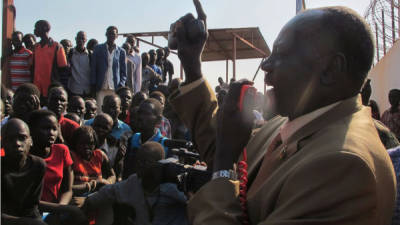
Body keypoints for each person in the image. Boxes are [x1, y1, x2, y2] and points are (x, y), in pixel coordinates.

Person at [170, 3, 396, 224]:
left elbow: (225, 161)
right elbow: (227, 152)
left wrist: (221, 169)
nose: (266, 64)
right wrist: (192, 66)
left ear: (329, 69)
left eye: (280, 52)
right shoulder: (292, 123)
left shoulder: (345, 167)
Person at [81, 141, 188, 225]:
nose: (140, 165)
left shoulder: (175, 188)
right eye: (138, 160)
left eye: (146, 162)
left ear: (159, 165)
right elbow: (106, 193)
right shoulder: (133, 182)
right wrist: (85, 204)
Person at [27, 110, 87, 225]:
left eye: (54, 129)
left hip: (57, 207)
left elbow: (67, 190)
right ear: (32, 130)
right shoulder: (25, 157)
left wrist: (59, 210)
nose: (51, 133)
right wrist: (60, 210)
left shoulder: (62, 150)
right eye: (45, 128)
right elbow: (31, 201)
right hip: (32, 211)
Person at [1, 119, 47, 225]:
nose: (17, 143)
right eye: (10, 139)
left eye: (22, 138)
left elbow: (32, 206)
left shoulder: (38, 165)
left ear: (31, 141)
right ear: (2, 142)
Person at [123, 98, 169, 178]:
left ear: (158, 120)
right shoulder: (133, 139)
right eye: (139, 113)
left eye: (146, 114)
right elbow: (127, 171)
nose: (140, 117)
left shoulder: (166, 145)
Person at [70, 126, 115, 196]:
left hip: (98, 196)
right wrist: (93, 184)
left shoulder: (100, 155)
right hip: (77, 196)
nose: (87, 147)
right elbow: (67, 189)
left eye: (90, 143)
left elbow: (112, 175)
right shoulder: (71, 157)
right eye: (82, 143)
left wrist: (107, 182)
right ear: (75, 143)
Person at [91, 26, 127, 111]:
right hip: (101, 87)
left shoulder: (121, 52)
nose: (111, 36)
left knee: (113, 111)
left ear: (117, 36)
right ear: (106, 34)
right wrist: (93, 84)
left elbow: (123, 72)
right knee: (100, 111)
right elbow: (93, 68)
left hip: (115, 87)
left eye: (113, 34)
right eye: (109, 33)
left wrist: (121, 85)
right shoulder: (98, 49)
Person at [32, 20, 68, 99]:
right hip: (37, 90)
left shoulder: (57, 46)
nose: (34, 30)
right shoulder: (36, 47)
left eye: (36, 28)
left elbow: (63, 69)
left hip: (51, 90)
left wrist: (61, 88)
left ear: (45, 28)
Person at [92, 113, 126, 181]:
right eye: (97, 126)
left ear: (110, 130)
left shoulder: (116, 147)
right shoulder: (83, 143)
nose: (100, 129)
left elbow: (118, 175)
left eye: (105, 128)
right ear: (92, 126)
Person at [68, 31, 92, 98]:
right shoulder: (70, 53)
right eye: (79, 38)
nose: (80, 40)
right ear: (75, 39)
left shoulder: (90, 55)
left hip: (87, 90)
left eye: (83, 38)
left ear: (86, 40)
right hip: (73, 90)